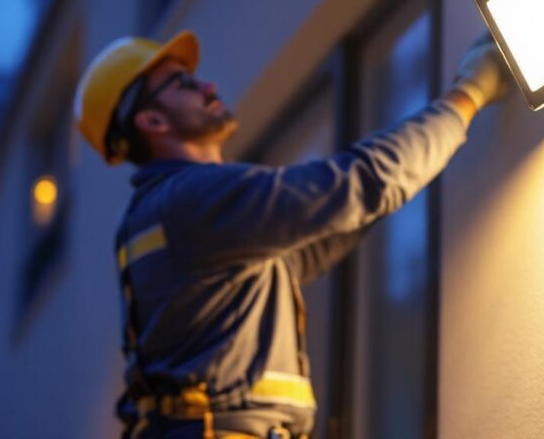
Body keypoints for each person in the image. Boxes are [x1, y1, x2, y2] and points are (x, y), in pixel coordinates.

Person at [73, 30, 509, 439]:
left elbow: (314, 240)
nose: (207, 87)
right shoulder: (189, 200)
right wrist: (467, 96)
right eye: (183, 83)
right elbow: (351, 188)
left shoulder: (165, 215)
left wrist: (383, 188)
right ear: (150, 119)